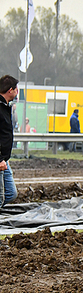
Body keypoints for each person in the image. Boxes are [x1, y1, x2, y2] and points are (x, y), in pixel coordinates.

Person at [0, 75, 19, 207]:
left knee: (11, 193)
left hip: (4, 159)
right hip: (0, 159)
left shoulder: (5, 106)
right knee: (0, 197)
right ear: (10, 90)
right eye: (17, 89)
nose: (18, 92)